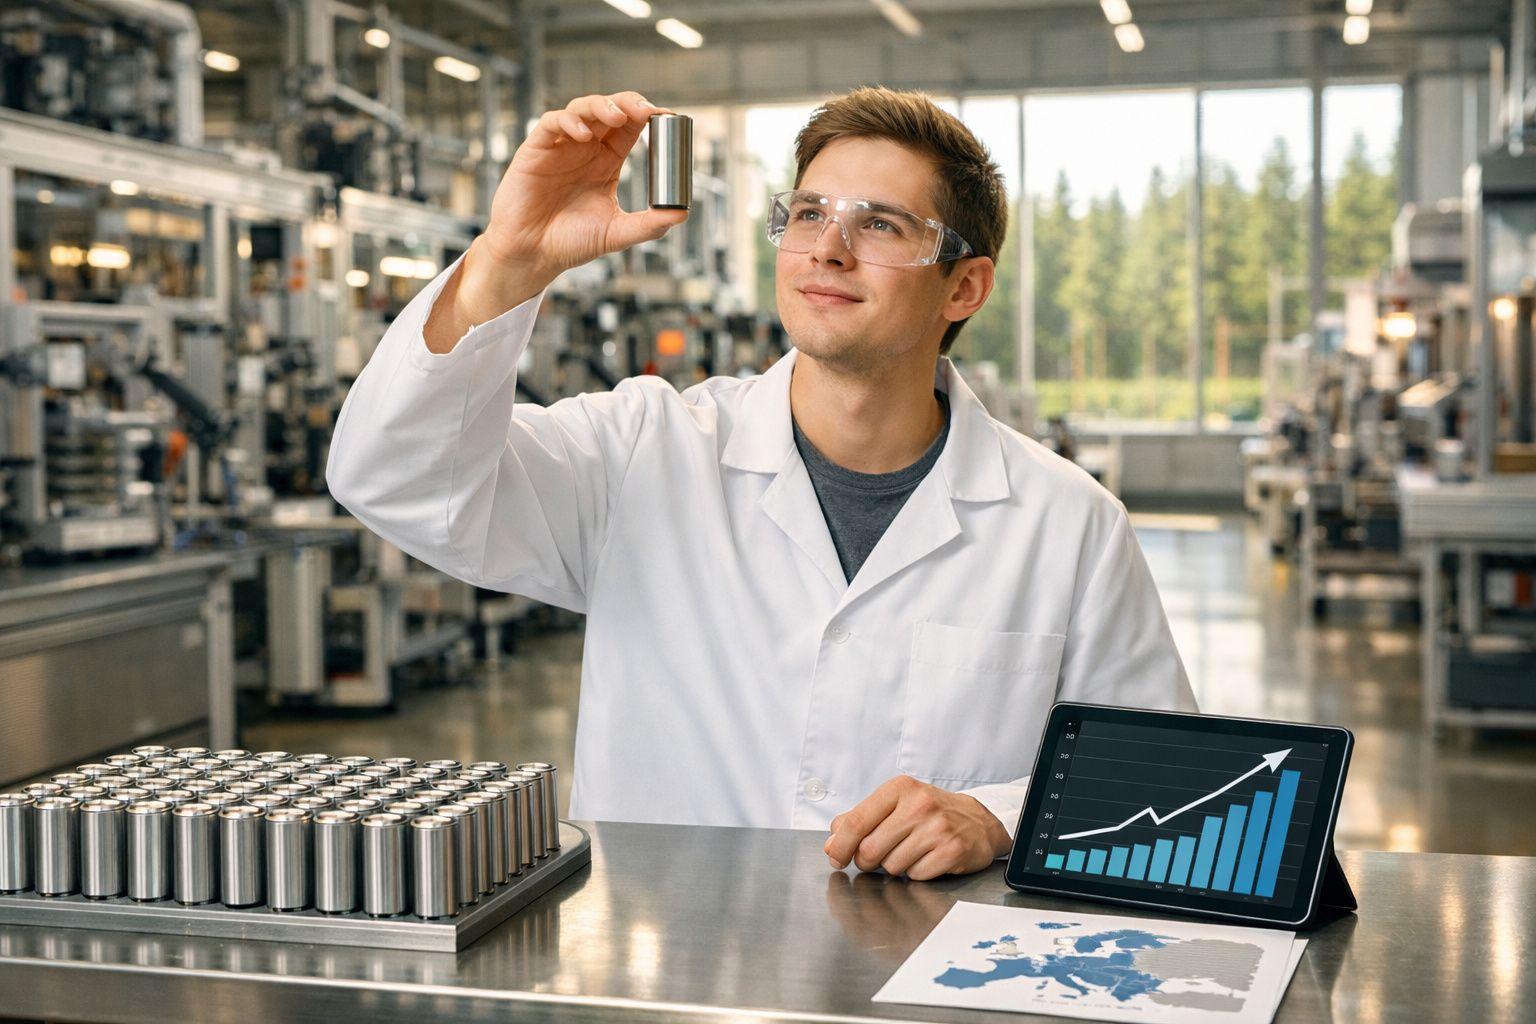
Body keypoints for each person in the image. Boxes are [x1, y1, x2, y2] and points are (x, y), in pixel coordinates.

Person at [327, 87, 1195, 880]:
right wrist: (509, 261)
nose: (828, 248)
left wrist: (998, 814)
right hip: (661, 987)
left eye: (882, 225)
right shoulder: (643, 452)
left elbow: (1160, 781)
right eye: (810, 212)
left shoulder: (1067, 522)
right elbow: (393, 476)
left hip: (923, 989)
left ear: (964, 286)